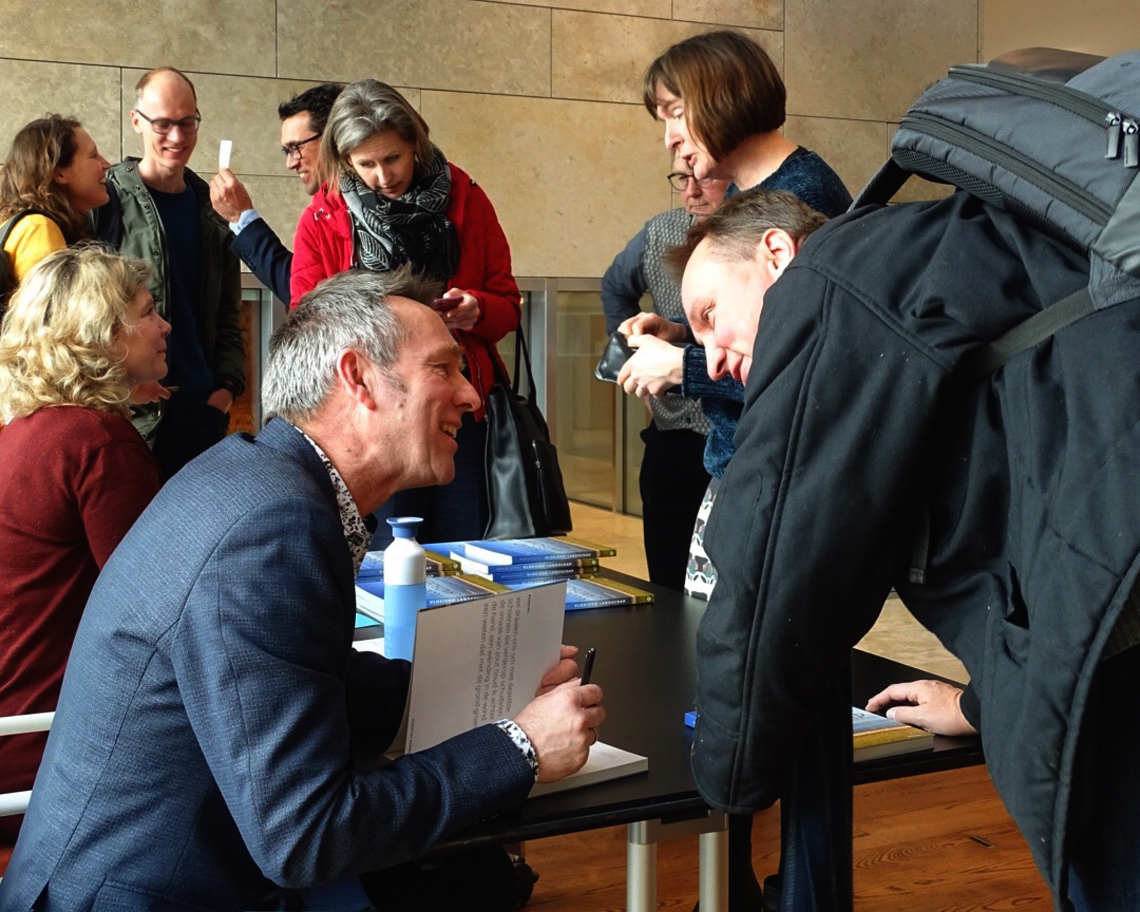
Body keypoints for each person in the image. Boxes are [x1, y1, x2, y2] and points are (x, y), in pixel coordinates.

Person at [0, 268, 605, 912]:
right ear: (359, 378)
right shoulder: (276, 526)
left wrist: (482, 697)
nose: (472, 396)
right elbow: (304, 836)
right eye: (444, 369)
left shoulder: (253, 476)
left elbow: (295, 677)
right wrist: (520, 746)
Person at [672, 185, 1140, 911]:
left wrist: (724, 778)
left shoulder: (827, 289)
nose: (714, 357)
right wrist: (985, 704)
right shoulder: (929, 256)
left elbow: (778, 576)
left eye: (709, 316)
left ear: (775, 252)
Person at [618, 29, 852, 599]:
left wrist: (682, 368)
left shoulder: (802, 197)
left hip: (779, 481)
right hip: (749, 471)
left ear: (722, 96)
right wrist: (684, 333)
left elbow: (805, 368)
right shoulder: (758, 192)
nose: (670, 139)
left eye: (676, 112)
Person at [292, 78, 521, 544]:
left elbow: (507, 303)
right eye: (366, 164)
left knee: (463, 551)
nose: (383, 176)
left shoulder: (466, 197)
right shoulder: (322, 217)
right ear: (344, 162)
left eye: (393, 158)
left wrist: (477, 309)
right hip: (375, 418)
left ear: (416, 144)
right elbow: (307, 322)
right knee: (387, 557)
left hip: (458, 408)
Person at [0, 246, 167, 853]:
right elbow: (162, 615)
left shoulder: (20, 429)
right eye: (149, 312)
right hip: (50, 761)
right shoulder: (97, 441)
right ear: (104, 336)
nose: (165, 325)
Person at [94, 66, 246, 480]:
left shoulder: (212, 207)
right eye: (163, 123)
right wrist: (117, 393)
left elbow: (227, 312)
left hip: (202, 412)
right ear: (137, 121)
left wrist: (226, 390)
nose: (177, 137)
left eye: (187, 122)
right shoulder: (105, 201)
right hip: (130, 416)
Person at [600, 155, 726, 589]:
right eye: (681, 179)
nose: (690, 191)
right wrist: (629, 356)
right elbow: (615, 286)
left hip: (737, 437)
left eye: (703, 179)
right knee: (667, 582)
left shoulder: (758, 237)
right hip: (672, 431)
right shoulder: (661, 231)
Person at [209, 82, 344, 304]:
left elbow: (309, 303)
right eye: (286, 151)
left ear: (333, 137)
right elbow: (304, 288)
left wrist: (242, 218)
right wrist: (242, 218)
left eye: (295, 148)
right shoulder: (318, 216)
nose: (290, 164)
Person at [0, 115, 111, 291]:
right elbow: (52, 316)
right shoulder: (39, 229)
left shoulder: (30, 225)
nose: (107, 164)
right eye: (94, 155)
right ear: (59, 174)